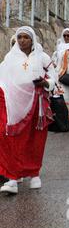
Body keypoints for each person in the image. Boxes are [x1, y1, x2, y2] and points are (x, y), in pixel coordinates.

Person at [0, 27, 57, 194]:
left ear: (32, 39)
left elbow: (54, 77)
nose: (22, 40)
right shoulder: (9, 58)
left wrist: (46, 84)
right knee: (14, 140)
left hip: (37, 105)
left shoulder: (43, 57)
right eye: (20, 37)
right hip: (14, 106)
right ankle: (13, 177)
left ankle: (34, 174)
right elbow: (3, 80)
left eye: (26, 37)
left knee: (35, 140)